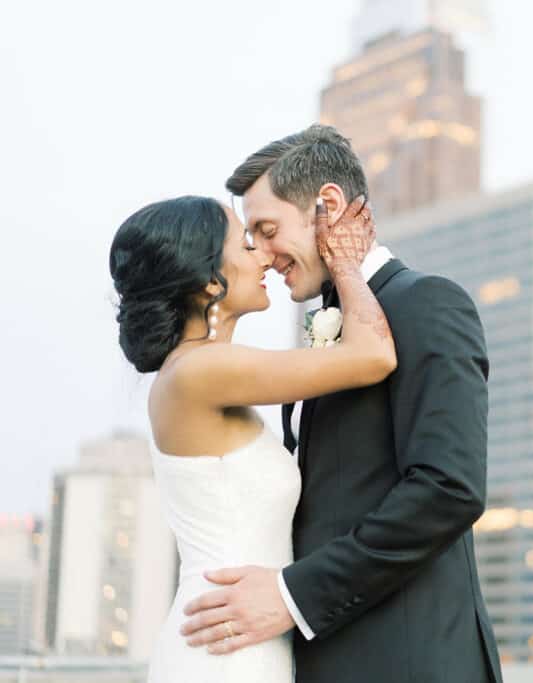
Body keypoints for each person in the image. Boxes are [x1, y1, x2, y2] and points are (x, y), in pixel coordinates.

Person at [178, 124, 503, 683]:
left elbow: (448, 488)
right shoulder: (325, 334)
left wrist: (290, 596)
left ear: (327, 204)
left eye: (267, 228)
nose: (262, 253)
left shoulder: (426, 304)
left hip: (408, 664)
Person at [109, 191, 390, 683]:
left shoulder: (198, 371)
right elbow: (374, 356)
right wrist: (346, 263)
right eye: (245, 245)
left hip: (240, 635)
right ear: (207, 281)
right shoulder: (200, 370)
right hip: (223, 651)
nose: (263, 255)